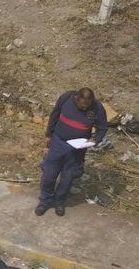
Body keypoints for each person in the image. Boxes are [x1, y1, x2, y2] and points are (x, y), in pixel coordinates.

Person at [36, 87, 107, 217]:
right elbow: (55, 114)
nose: (85, 108)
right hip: (58, 142)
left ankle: (60, 202)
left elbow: (102, 128)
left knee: (68, 177)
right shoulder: (66, 98)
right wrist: (48, 134)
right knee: (49, 174)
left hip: (77, 149)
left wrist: (95, 141)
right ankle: (45, 201)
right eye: (82, 105)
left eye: (88, 105)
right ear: (76, 99)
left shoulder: (97, 108)